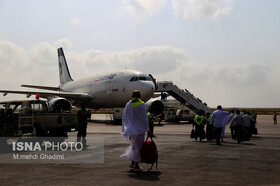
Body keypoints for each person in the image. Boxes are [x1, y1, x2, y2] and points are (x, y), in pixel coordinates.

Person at [121, 90, 149, 171]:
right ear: (140, 96)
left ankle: (133, 162)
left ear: (132, 96)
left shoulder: (129, 104)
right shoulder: (142, 104)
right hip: (140, 130)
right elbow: (144, 119)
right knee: (139, 147)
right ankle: (136, 165)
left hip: (132, 130)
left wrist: (127, 128)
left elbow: (125, 117)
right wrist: (147, 129)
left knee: (134, 146)